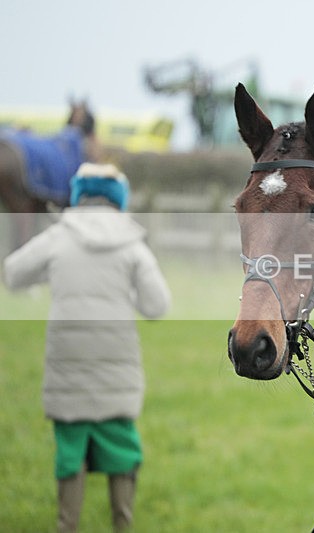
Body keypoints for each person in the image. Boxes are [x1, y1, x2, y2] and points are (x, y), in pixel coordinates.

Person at [3, 162, 171, 532]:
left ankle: (67, 525)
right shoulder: (131, 243)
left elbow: (13, 274)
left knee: (70, 449)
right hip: (117, 364)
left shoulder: (58, 236)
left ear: (78, 194)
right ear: (119, 197)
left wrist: (49, 273)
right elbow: (157, 305)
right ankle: (122, 524)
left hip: (67, 362)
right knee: (122, 446)